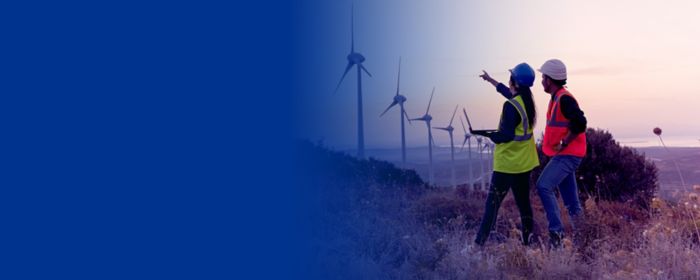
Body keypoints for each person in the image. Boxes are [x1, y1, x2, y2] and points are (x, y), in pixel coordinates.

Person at [473, 63, 540, 246]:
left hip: (507, 165)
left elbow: (506, 135)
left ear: (515, 83)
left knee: (491, 207)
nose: (508, 81)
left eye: (511, 78)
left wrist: (489, 135)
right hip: (524, 164)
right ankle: (528, 243)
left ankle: (478, 245)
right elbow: (505, 91)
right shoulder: (526, 102)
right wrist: (490, 80)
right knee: (524, 206)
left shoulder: (510, 106)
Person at [535, 59, 587, 248]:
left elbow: (580, 123)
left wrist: (565, 142)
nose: (541, 81)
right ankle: (585, 237)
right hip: (565, 155)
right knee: (571, 202)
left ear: (549, 79)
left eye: (543, 77)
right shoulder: (557, 98)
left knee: (543, 186)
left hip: (568, 155)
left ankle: (556, 235)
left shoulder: (564, 98)